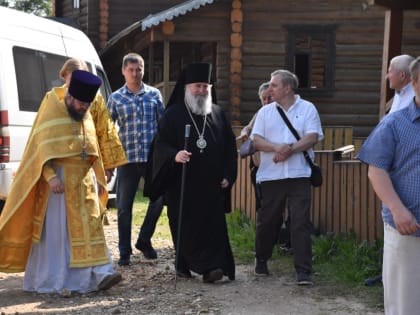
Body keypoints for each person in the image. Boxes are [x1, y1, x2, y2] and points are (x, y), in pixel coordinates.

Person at [0, 70, 122, 294]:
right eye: (82, 103)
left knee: (92, 228)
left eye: (88, 104)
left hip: (84, 183)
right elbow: (37, 152)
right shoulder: (51, 107)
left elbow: (90, 148)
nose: (85, 108)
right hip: (59, 186)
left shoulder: (84, 113)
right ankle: (55, 280)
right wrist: (51, 177)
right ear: (71, 96)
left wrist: (100, 173)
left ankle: (101, 274)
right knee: (58, 236)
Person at [145, 62, 237, 283]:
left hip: (211, 185)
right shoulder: (172, 115)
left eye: (206, 86)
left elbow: (229, 148)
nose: (202, 91)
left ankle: (212, 268)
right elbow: (160, 145)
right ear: (187, 87)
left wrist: (228, 174)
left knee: (213, 227)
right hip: (182, 184)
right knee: (184, 226)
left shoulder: (217, 114)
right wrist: (174, 155)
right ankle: (184, 265)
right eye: (198, 86)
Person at [358, 57, 420, 314]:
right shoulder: (394, 124)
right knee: (405, 304)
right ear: (415, 83)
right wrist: (397, 210)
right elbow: (376, 170)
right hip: (408, 226)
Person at [251, 69, 323, 285]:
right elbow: (256, 141)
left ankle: (303, 271)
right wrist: (277, 147)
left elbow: (312, 137)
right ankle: (261, 258)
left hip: (299, 174)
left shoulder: (308, 108)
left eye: (274, 85)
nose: (270, 89)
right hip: (271, 175)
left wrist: (289, 150)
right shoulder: (265, 113)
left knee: (300, 223)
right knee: (268, 220)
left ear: (287, 88)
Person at [107, 53, 165, 266]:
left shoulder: (154, 95)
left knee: (158, 200)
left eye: (139, 69)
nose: (135, 73)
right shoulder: (115, 98)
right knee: (124, 207)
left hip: (152, 159)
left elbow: (164, 125)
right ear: (124, 71)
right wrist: (109, 163)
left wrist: (166, 155)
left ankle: (144, 240)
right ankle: (124, 251)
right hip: (127, 160)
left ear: (143, 70)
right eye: (131, 70)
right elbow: (107, 132)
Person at [58, 58, 127, 184]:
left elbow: (105, 130)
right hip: (64, 160)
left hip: (89, 161)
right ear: (65, 76)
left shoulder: (95, 99)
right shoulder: (57, 97)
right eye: (72, 79)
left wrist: (109, 166)